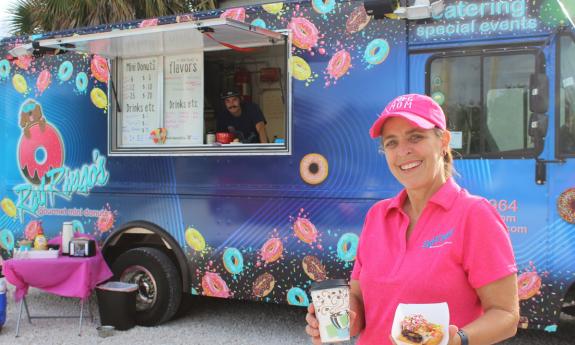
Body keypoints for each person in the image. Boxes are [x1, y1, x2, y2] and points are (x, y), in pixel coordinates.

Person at [305, 94, 519, 345]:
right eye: (391, 143)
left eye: (415, 137)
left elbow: (506, 316)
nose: (403, 151)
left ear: (443, 141)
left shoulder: (474, 215)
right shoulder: (378, 215)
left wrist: (457, 340)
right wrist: (338, 320)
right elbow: (359, 298)